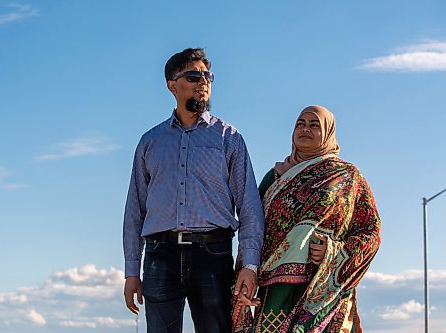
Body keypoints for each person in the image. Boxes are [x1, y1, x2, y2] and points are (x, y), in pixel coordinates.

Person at [123, 47, 265, 333]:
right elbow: (135, 209)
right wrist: (131, 271)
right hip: (159, 254)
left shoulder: (230, 138)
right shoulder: (150, 142)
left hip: (213, 253)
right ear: (172, 85)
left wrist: (250, 265)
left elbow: (249, 206)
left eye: (207, 76)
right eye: (193, 75)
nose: (203, 82)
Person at [232, 105, 381, 333]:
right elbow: (252, 224)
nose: (305, 129)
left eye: (314, 125)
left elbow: (370, 231)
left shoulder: (348, 178)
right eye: (300, 124)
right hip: (276, 291)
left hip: (322, 289)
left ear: (328, 132)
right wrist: (246, 269)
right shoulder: (274, 177)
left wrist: (334, 251)